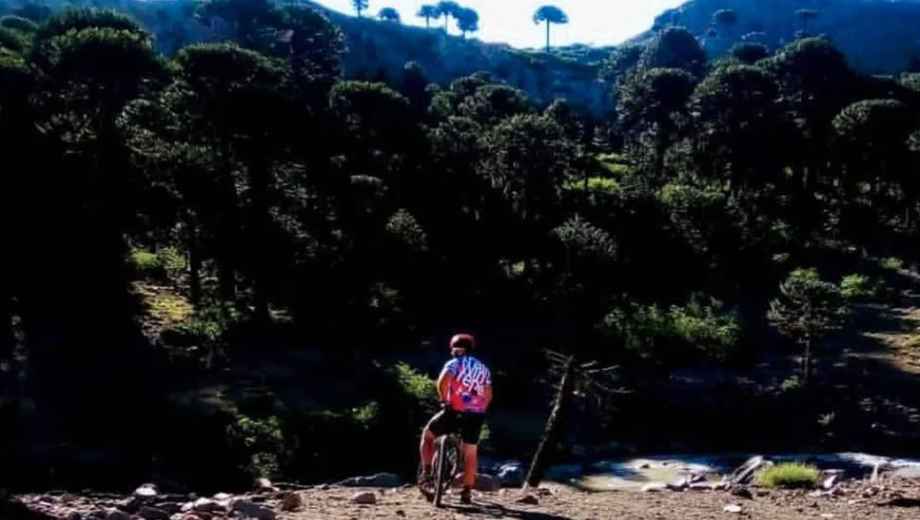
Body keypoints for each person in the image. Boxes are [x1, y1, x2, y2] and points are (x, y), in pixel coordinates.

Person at [419, 333, 493, 504]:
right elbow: (489, 394)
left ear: (453, 348)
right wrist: (480, 409)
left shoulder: (454, 363)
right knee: (470, 452)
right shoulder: (483, 369)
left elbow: (442, 382)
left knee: (428, 435)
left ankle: (427, 473)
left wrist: (444, 399)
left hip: (454, 410)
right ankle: (466, 492)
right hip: (476, 413)